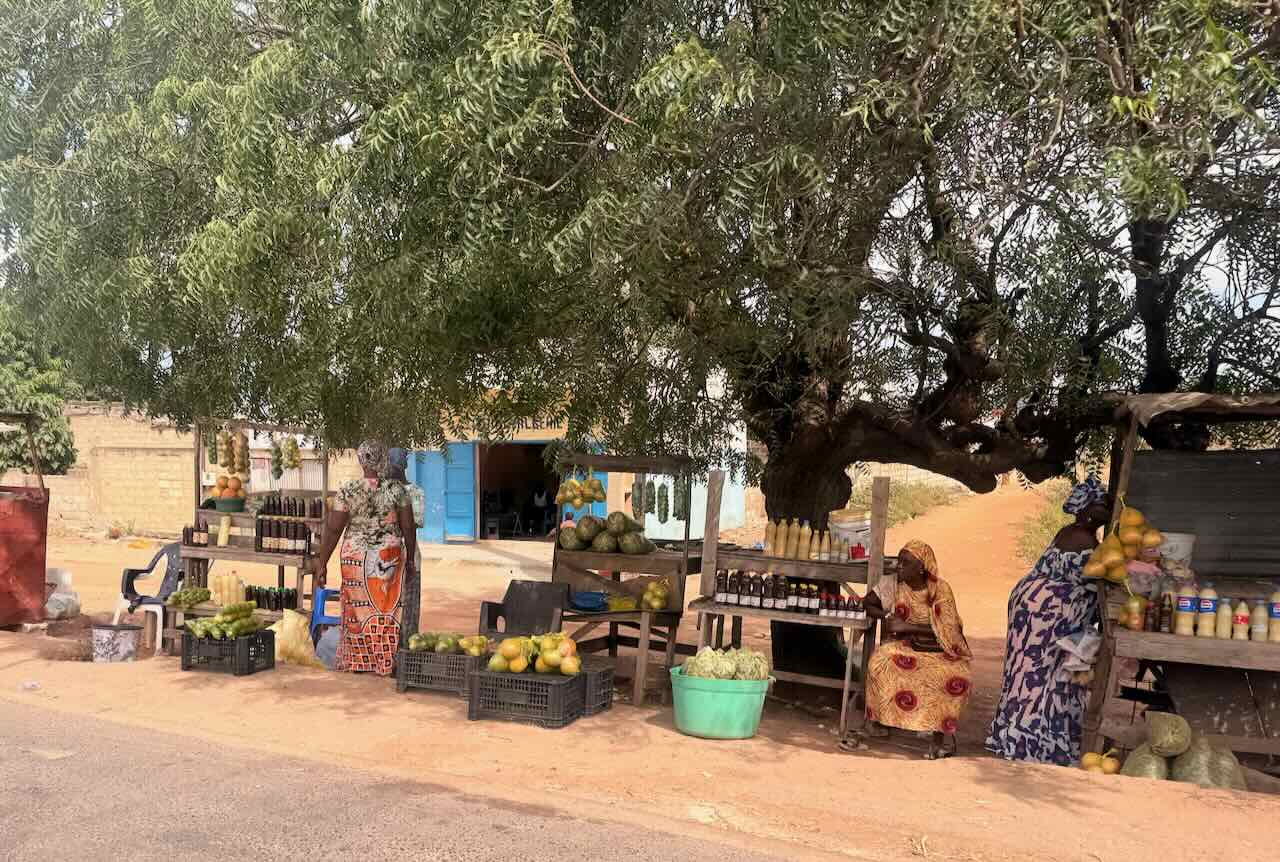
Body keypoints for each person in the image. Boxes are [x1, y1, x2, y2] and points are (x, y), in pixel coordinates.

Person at [985, 476, 1113, 765]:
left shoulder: (1071, 532)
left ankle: (1016, 738)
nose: (1107, 511)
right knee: (1046, 676)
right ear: (1088, 509)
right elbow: (1093, 578)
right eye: (1103, 506)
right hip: (1046, 615)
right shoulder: (1083, 539)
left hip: (1034, 609)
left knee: (1027, 674)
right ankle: (1034, 744)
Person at [846, 540, 972, 760]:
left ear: (921, 567)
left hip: (939, 648)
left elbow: (950, 629)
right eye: (899, 561)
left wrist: (907, 626)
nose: (899, 566)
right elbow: (868, 603)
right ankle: (876, 723)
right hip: (903, 645)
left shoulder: (940, 590)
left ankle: (940, 734)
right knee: (880, 662)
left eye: (906, 563)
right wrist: (886, 616)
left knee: (954, 674)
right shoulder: (892, 584)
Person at [305, 440, 416, 676]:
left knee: (356, 611)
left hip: (355, 560)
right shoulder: (398, 490)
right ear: (384, 459)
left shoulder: (348, 490)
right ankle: (384, 662)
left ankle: (358, 662)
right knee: (386, 611)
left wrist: (322, 563)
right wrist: (411, 561)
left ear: (361, 460)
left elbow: (333, 529)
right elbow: (408, 526)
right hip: (388, 560)